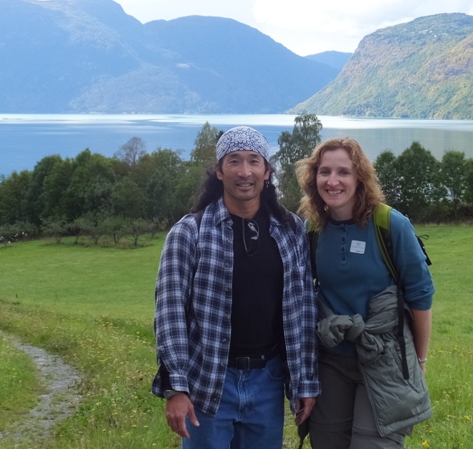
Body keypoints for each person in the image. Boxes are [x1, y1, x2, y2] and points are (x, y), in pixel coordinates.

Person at [152, 125, 320, 449]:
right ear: (218, 171)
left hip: (267, 381)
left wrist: (305, 383)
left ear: (267, 172)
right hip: (209, 380)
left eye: (254, 161)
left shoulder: (291, 231)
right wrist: (176, 388)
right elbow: (169, 314)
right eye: (234, 161)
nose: (245, 172)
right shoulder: (189, 232)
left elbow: (302, 312)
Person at [295, 137, 435, 449]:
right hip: (332, 361)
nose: (333, 181)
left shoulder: (390, 224)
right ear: (313, 177)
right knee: (327, 441)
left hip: (385, 358)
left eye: (343, 172)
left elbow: (421, 295)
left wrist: (420, 360)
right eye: (324, 171)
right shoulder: (312, 230)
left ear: (360, 178)